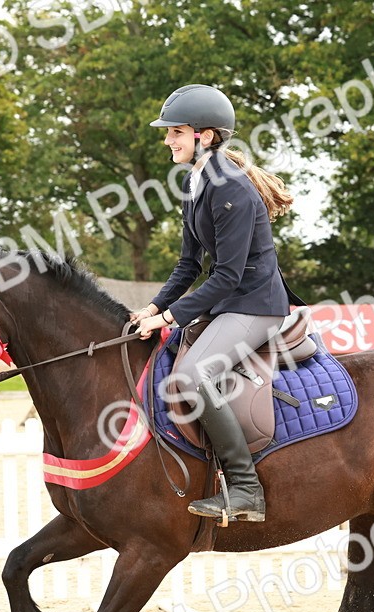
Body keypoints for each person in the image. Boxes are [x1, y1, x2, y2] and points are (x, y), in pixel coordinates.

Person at [131, 84, 303, 524]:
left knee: (193, 375)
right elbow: (188, 265)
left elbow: (226, 275)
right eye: (169, 132)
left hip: (256, 305)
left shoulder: (233, 191)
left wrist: (171, 316)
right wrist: (153, 310)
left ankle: (246, 489)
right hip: (229, 302)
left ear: (205, 136)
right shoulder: (195, 183)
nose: (168, 140)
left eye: (176, 132)